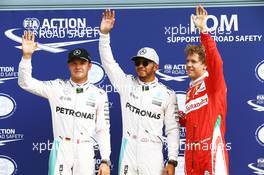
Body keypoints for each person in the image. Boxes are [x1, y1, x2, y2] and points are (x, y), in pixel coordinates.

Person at [18, 31, 111, 175]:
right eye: (74, 63)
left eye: (82, 63)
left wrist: (105, 160)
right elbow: (25, 83)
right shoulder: (57, 87)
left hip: (85, 150)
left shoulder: (99, 94)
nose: (78, 66)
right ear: (69, 66)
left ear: (90, 66)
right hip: (61, 148)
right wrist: (26, 57)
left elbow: (103, 129)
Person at [99, 10, 180, 175]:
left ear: (155, 67)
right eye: (137, 63)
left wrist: (172, 160)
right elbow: (109, 63)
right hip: (128, 149)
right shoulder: (126, 84)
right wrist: (104, 35)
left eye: (145, 62)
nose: (140, 66)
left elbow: (172, 129)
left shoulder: (167, 94)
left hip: (152, 152)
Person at [180, 5, 229, 175]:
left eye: (193, 61)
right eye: (187, 61)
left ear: (204, 64)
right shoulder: (190, 91)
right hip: (191, 156)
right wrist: (181, 119)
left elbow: (216, 61)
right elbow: (195, 121)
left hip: (211, 153)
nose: (188, 65)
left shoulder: (213, 82)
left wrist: (203, 31)